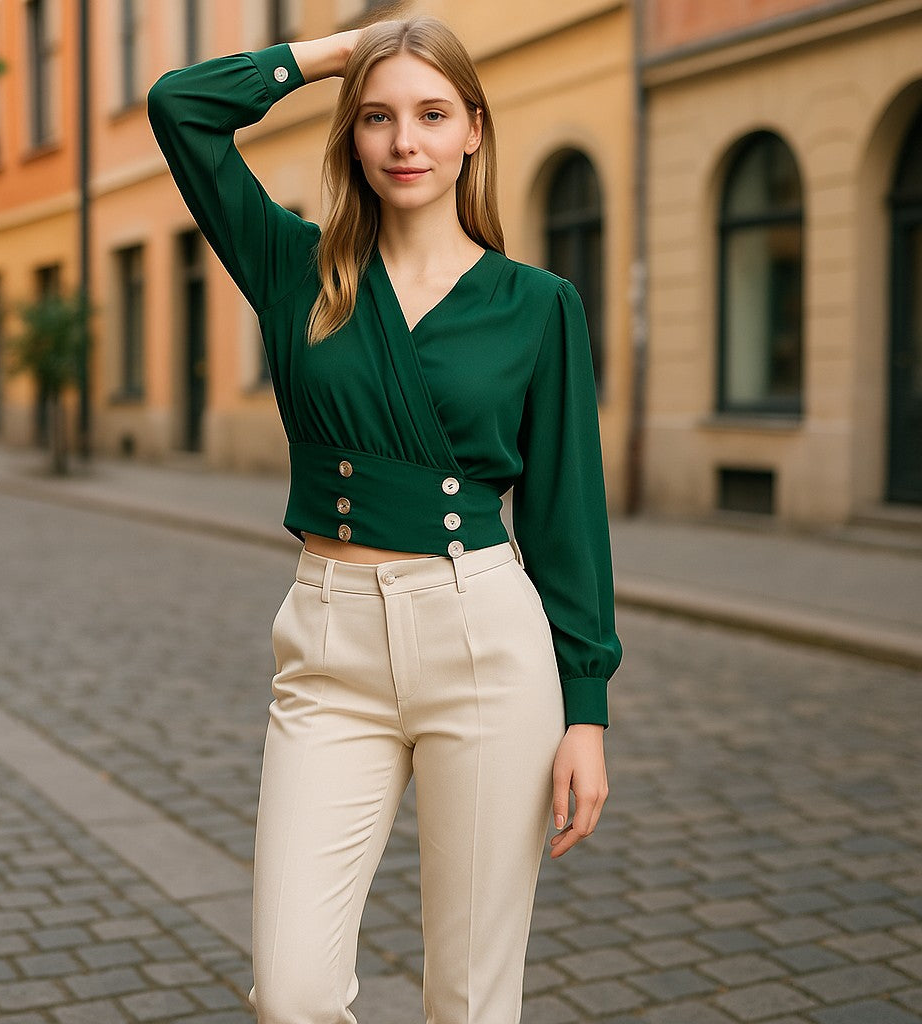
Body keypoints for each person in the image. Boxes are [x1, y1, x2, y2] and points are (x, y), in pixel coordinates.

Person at [148, 13, 622, 1023]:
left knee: (470, 996)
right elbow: (180, 109)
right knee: (292, 990)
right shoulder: (294, 268)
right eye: (377, 117)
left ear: (473, 131)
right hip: (329, 643)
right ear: (351, 135)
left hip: (485, 642)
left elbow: (565, 514)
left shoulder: (536, 305)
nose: (405, 142)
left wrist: (585, 705)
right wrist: (335, 49)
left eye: (432, 113)